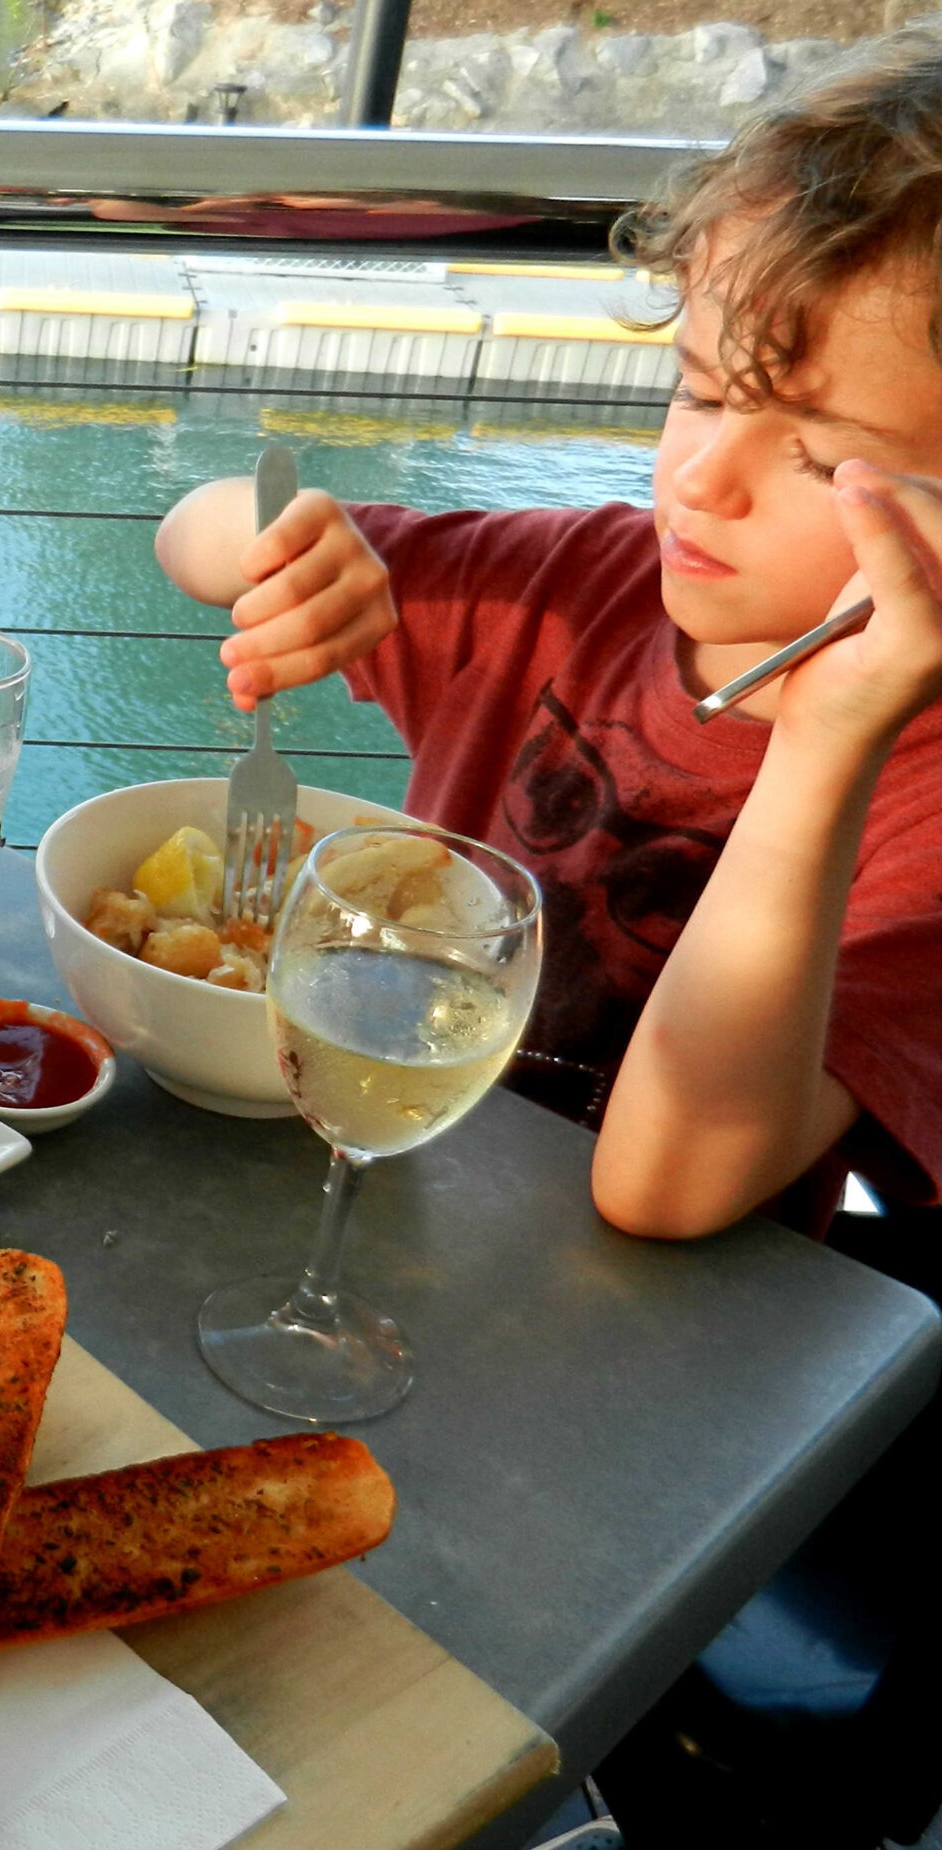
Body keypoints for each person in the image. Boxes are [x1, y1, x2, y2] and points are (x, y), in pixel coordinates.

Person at [154, 26, 942, 1241]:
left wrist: (827, 739)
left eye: (821, 456)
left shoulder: (919, 807)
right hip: (399, 1220)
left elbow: (665, 1187)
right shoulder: (579, 583)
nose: (701, 479)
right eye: (698, 388)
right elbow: (191, 529)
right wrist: (284, 551)